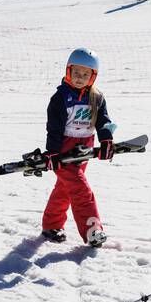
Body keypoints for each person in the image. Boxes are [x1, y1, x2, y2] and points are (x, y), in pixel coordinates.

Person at [41, 48, 115, 247]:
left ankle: (51, 224)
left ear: (93, 76)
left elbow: (104, 121)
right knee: (80, 189)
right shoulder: (60, 98)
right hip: (64, 147)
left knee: (66, 188)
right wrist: (52, 152)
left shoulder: (97, 97)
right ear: (68, 71)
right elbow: (54, 128)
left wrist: (106, 140)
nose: (80, 78)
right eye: (76, 73)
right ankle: (92, 230)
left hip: (85, 147)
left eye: (85, 74)